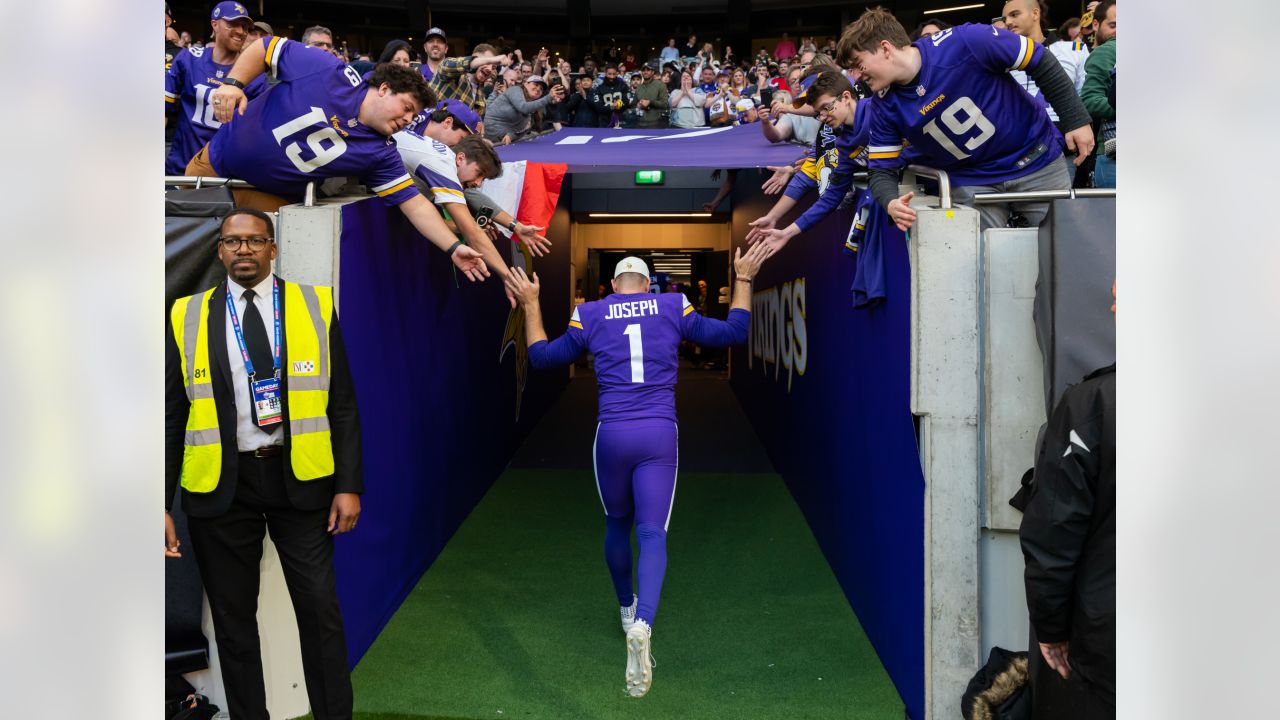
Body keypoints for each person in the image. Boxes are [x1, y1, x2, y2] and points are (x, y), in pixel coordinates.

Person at [505, 244, 772, 698]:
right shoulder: (673, 304)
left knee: (616, 523)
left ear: (613, 287)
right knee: (652, 533)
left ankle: (627, 608)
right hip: (658, 434)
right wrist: (744, 278)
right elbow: (733, 333)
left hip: (611, 435)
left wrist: (531, 304)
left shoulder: (588, 313)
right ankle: (643, 623)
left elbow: (543, 358)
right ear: (649, 284)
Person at [165, 207, 363, 720]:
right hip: (221, 489)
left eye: (254, 241)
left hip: (300, 482)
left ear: (272, 248)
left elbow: (341, 402)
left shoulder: (314, 305)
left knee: (320, 611)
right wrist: (159, 502)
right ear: (220, 251)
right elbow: (172, 413)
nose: (243, 250)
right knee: (232, 623)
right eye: (233, 243)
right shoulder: (186, 314)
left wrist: (349, 484)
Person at [196, 36, 491, 282]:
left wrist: (452, 247)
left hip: (267, 194)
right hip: (216, 162)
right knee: (187, 246)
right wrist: (234, 83)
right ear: (384, 89)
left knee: (245, 265)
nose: (408, 119)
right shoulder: (329, 71)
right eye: (406, 107)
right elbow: (264, 46)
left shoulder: (381, 151)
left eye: (413, 115)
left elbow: (415, 205)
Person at [837, 8, 1094, 231]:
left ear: (885, 48)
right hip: (973, 180)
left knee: (1063, 252)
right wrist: (890, 201)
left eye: (858, 64)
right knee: (972, 264)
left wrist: (1076, 119)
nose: (856, 76)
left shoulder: (966, 41)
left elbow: (1039, 59)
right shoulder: (883, 105)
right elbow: (882, 169)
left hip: (1035, 160)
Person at [1019, 285, 1115, 719]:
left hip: (1113, 641)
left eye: (1122, 296)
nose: (1112, 305)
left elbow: (1054, 531)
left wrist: (1051, 627)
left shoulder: (1094, 403)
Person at [747, 70, 873, 252]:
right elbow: (829, 197)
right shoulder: (841, 140)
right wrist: (785, 231)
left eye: (825, 108)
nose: (821, 116)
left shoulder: (879, 109)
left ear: (845, 96)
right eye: (817, 111)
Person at [165, 2, 267, 176]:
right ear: (215, 24)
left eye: (244, 27)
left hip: (225, 176)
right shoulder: (188, 59)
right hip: (181, 168)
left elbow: (257, 133)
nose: (241, 31)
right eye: (233, 24)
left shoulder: (255, 76)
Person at [1003, 0, 1091, 179]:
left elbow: (1086, 98)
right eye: (1005, 18)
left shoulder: (1073, 49)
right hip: (1015, 157)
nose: (1008, 22)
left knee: (1060, 208)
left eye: (1014, 14)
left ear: (1035, 14)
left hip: (1065, 154)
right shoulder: (1001, 61)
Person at [1080, 0, 1116, 187]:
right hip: (1115, 155)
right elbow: (1090, 100)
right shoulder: (1108, 50)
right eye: (1114, 25)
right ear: (1096, 25)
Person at [428, 42, 511, 118]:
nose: (489, 69)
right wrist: (493, 59)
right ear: (475, 57)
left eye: (493, 67)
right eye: (487, 62)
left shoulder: (481, 99)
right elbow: (447, 65)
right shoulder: (454, 75)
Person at [484, 74, 566, 144]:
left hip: (503, 142)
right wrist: (548, 97)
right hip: (488, 139)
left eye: (541, 89)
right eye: (536, 85)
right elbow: (523, 108)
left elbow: (524, 130)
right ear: (526, 84)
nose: (538, 89)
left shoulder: (533, 107)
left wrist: (511, 135)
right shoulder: (515, 90)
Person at [591, 64, 635, 128]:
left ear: (617, 73)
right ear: (605, 73)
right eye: (609, 74)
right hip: (604, 120)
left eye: (614, 74)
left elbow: (627, 101)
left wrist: (620, 105)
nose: (612, 76)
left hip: (621, 118)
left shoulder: (623, 85)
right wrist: (611, 107)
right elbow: (598, 106)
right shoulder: (599, 88)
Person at [632, 62, 671, 128]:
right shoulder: (639, 87)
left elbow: (665, 104)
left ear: (652, 72)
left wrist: (650, 102)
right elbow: (633, 104)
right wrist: (637, 105)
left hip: (656, 123)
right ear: (641, 72)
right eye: (643, 70)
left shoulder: (660, 85)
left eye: (648, 70)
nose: (645, 72)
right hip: (640, 123)